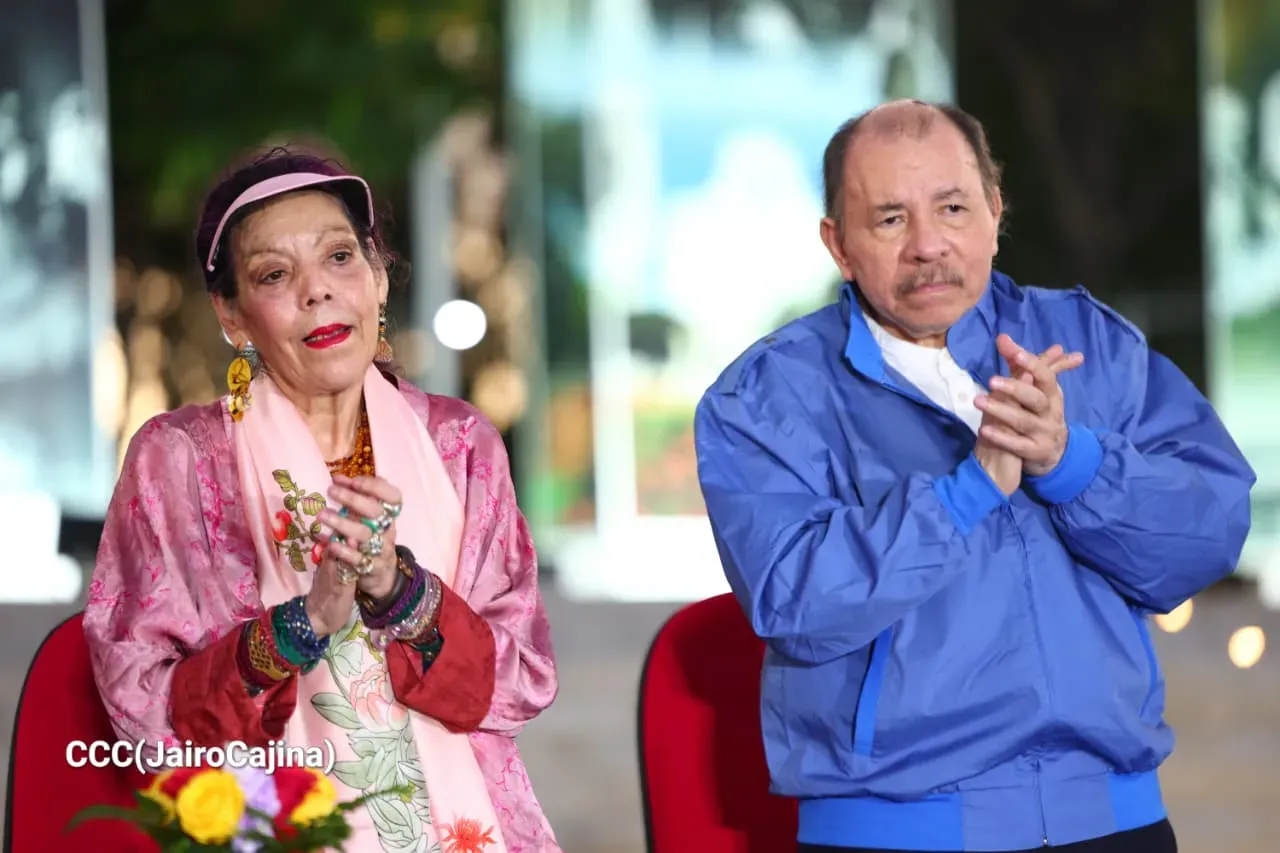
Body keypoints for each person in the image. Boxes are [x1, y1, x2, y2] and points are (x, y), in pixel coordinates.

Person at [694, 100, 1255, 853]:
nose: (928, 245)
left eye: (952, 207)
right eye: (889, 219)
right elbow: (795, 600)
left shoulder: (1089, 343)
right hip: (894, 831)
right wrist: (966, 492)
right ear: (839, 244)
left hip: (1114, 821)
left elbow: (1209, 533)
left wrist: (1071, 463)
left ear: (995, 211)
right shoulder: (764, 397)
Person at [85, 146, 562, 853]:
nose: (317, 291)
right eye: (275, 274)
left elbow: (519, 683)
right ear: (232, 315)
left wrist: (397, 591)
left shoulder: (460, 445)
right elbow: (144, 711)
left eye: (340, 258)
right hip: (262, 828)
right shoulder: (179, 461)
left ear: (377, 277)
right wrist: (302, 622)